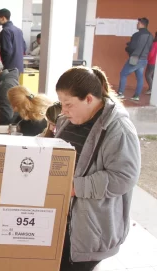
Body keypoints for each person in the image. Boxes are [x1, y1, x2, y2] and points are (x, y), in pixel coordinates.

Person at [54, 66, 140, 271]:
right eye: (61, 104)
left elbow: (124, 178)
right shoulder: (70, 119)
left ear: (89, 99)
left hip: (90, 228)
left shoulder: (118, 129)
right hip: (63, 222)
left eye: (69, 104)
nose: (64, 111)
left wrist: (75, 188)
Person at [117, 17, 153, 101]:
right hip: (144, 59)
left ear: (141, 24)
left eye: (138, 23)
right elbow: (150, 48)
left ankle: (120, 93)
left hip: (135, 58)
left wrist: (127, 48)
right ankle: (136, 96)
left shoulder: (137, 34)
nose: (137, 24)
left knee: (123, 74)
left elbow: (132, 47)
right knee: (140, 77)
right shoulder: (151, 36)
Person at [0, 8, 26, 73]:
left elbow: (7, 51)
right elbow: (24, 48)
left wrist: (2, 66)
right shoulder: (19, 30)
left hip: (9, 68)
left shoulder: (5, 31)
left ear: (3, 18)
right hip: (19, 67)